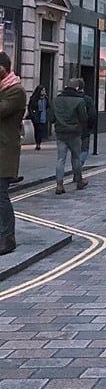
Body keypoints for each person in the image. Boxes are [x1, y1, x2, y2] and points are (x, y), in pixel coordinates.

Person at [0, 52, 27, 256]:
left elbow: (2, 110)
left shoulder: (15, 91)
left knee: (1, 197)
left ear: (3, 68)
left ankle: (8, 239)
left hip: (4, 152)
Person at [52, 77, 89, 195]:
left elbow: (51, 117)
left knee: (60, 159)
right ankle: (79, 181)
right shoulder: (79, 101)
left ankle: (59, 185)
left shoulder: (57, 100)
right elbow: (84, 118)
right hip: (74, 133)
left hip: (60, 133)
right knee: (76, 158)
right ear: (77, 88)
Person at [77, 79, 97, 169]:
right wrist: (90, 127)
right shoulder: (87, 99)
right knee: (84, 150)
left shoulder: (69, 98)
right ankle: (78, 168)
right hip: (84, 129)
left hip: (70, 128)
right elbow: (92, 115)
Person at [28, 85, 50, 151]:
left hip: (43, 116)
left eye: (44, 90)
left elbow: (48, 106)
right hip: (37, 116)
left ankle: (39, 143)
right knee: (37, 130)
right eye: (42, 90)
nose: (44, 92)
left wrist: (47, 113)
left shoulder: (45, 98)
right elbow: (30, 107)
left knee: (41, 130)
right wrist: (33, 115)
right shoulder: (34, 98)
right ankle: (37, 143)